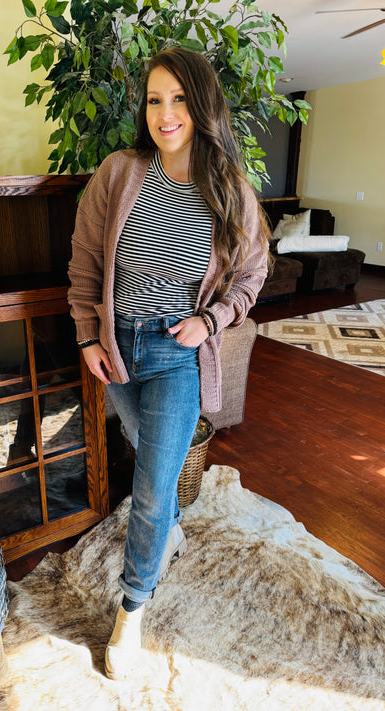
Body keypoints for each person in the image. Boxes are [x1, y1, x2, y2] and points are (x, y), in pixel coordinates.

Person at [67, 47, 270, 680]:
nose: (166, 113)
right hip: (117, 347)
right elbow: (85, 266)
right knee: (141, 446)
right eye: (155, 100)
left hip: (178, 352)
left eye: (179, 98)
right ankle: (170, 531)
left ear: (202, 105)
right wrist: (87, 339)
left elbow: (252, 274)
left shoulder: (229, 190)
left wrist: (211, 320)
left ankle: (132, 609)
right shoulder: (119, 172)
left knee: (151, 488)